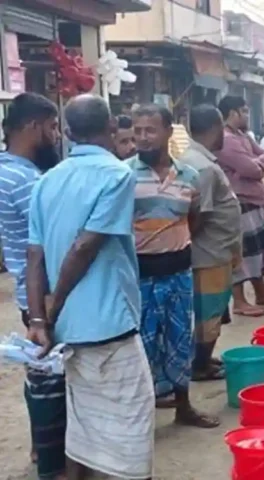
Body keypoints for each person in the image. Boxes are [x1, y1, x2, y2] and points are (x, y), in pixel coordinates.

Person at [25, 94, 154, 479]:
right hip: (107, 323)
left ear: (67, 132)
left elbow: (35, 256)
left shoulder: (46, 181)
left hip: (67, 333)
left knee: (84, 422)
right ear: (112, 127)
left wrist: (38, 319)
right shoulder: (117, 175)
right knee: (131, 425)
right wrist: (54, 304)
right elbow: (85, 246)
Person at [128, 103, 219, 428]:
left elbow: (191, 219)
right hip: (142, 276)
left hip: (179, 272)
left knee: (180, 341)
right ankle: (142, 419)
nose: (143, 138)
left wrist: (174, 242)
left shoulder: (189, 177)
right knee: (143, 347)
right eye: (137, 131)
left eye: (150, 130)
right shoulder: (125, 175)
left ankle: (184, 407)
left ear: (168, 132)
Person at [0, 93, 65, 480]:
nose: (55, 136)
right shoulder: (25, 179)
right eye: (52, 127)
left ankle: (44, 450)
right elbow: (49, 239)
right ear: (32, 127)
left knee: (39, 373)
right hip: (43, 293)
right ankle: (51, 459)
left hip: (29, 291)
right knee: (50, 380)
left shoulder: (6, 169)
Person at [178, 104, 241, 382]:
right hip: (208, 254)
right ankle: (199, 365)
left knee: (213, 311)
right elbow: (198, 215)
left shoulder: (201, 160)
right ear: (215, 128)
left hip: (217, 251)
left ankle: (204, 358)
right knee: (207, 314)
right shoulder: (201, 166)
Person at [217, 96, 264, 316]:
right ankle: (240, 301)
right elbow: (251, 169)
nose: (248, 115)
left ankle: (260, 291)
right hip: (239, 202)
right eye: (244, 111)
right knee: (242, 253)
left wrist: (256, 164)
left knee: (257, 251)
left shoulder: (242, 136)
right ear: (233, 113)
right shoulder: (227, 140)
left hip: (254, 200)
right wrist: (255, 166)